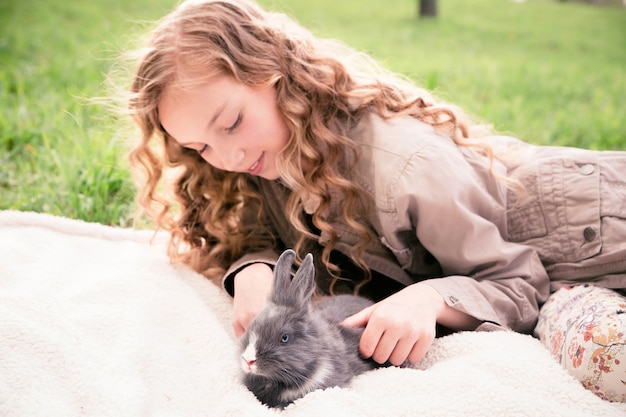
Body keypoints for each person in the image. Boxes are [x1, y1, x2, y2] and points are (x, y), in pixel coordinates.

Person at [123, 0, 626, 402]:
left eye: (231, 124)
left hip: (598, 235)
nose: (227, 155)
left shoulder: (401, 164)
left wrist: (431, 299)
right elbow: (254, 229)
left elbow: (517, 279)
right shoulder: (266, 153)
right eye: (200, 147)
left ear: (273, 72)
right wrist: (254, 273)